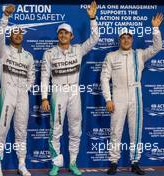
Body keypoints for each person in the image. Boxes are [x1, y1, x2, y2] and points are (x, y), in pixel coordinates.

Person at [100, 13, 163, 175]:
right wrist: (108, 99)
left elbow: (157, 47)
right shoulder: (111, 56)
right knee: (115, 130)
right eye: (123, 37)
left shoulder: (140, 54)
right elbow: (104, 79)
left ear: (132, 39)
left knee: (136, 130)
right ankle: (113, 162)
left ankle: (135, 162)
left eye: (129, 37)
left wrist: (155, 29)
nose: (126, 40)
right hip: (118, 96)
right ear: (119, 40)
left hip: (136, 95)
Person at [41, 1, 99, 176]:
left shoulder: (78, 49)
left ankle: (73, 163)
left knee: (75, 129)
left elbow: (95, 38)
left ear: (72, 36)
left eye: (66, 32)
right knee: (55, 130)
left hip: (74, 91)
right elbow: (44, 77)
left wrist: (92, 18)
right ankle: (56, 164)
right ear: (57, 36)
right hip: (57, 92)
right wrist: (44, 97)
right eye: (60, 32)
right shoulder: (49, 53)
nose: (63, 35)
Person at [0, 5, 35, 176]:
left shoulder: (29, 56)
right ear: (10, 35)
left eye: (20, 33)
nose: (17, 35)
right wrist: (5, 17)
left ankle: (22, 164)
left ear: (22, 36)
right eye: (14, 33)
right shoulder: (3, 52)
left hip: (22, 97)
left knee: (21, 131)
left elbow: (31, 77)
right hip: (7, 94)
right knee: (2, 130)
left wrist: (25, 89)